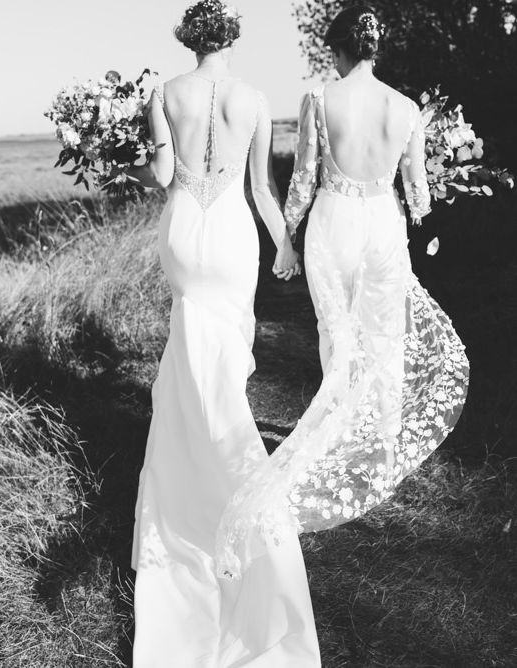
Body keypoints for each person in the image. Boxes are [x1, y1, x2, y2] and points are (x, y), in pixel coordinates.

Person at [215, 6, 470, 585]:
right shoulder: (405, 109)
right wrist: (428, 197)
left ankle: (333, 437)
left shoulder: (318, 100)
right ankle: (383, 449)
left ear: (339, 50)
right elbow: (418, 195)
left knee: (337, 337)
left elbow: (304, 178)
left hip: (333, 227)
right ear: (374, 50)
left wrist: (287, 239)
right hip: (382, 225)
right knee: (385, 337)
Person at [128, 1, 321, 665]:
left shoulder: (165, 93)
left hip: (185, 231)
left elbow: (161, 176)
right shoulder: (254, 99)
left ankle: (192, 469)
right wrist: (285, 244)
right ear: (232, 37)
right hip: (235, 234)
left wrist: (125, 159)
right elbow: (261, 188)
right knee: (225, 363)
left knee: (191, 349)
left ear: (189, 38)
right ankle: (227, 462)